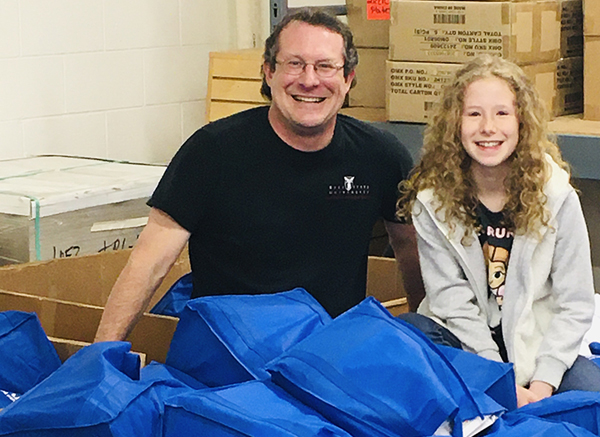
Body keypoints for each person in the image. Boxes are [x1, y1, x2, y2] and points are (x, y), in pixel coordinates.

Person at [95, 8, 423, 343]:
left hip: (328, 357)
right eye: (294, 64)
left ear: (348, 78)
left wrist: (424, 341)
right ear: (268, 72)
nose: (309, 80)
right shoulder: (211, 153)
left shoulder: (379, 156)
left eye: (325, 66)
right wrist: (100, 354)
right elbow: (148, 263)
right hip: (229, 354)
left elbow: (412, 253)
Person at [396, 55, 600, 407]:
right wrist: (496, 378)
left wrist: (544, 383)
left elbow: (575, 302)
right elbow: (449, 302)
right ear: (455, 123)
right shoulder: (432, 201)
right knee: (412, 332)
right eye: (473, 114)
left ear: (521, 121)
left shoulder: (556, 196)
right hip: (464, 345)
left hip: (538, 347)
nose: (488, 127)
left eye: (502, 113)